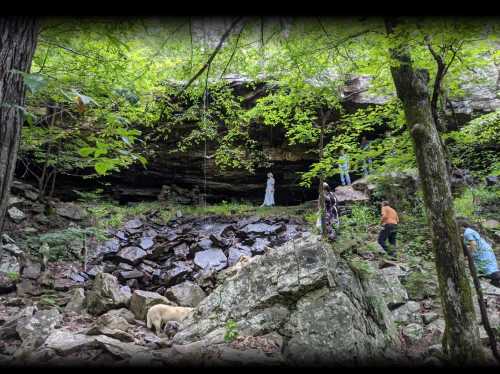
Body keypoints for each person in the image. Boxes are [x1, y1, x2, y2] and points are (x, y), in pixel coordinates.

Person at [457, 218, 500, 288]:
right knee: (489, 267)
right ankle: (495, 281)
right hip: (484, 250)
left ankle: (496, 279)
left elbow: (473, 244)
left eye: (458, 228)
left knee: (488, 269)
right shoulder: (469, 231)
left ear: (462, 227)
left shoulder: (467, 232)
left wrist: (469, 255)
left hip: (482, 251)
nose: (458, 230)